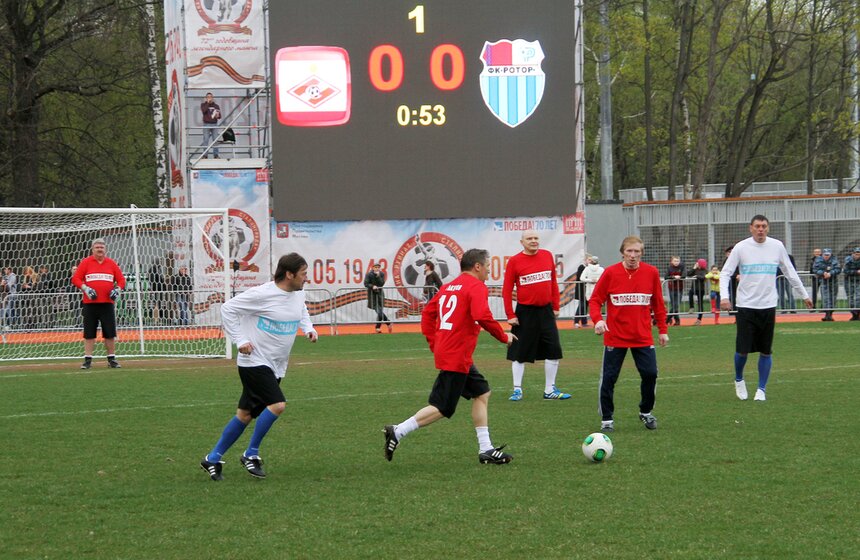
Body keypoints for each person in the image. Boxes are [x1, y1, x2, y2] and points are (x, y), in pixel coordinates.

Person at [382, 249, 516, 465]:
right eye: (488, 266)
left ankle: (486, 449)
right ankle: (398, 431)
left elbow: (428, 314)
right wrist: (503, 337)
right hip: (457, 355)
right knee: (443, 408)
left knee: (482, 392)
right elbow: (482, 315)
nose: (490, 270)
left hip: (454, 352)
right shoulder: (476, 286)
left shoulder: (449, 286)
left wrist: (435, 343)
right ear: (477, 266)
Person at [201, 253, 318, 481]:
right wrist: (240, 340)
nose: (307, 278)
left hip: (276, 364)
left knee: (245, 415)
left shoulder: (297, 292)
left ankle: (212, 458)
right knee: (278, 405)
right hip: (254, 362)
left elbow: (301, 309)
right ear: (289, 274)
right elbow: (228, 309)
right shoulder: (262, 294)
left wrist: (308, 328)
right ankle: (251, 453)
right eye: (303, 274)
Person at [720, 215, 812, 402]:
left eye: (764, 226)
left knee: (766, 350)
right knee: (742, 350)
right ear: (751, 228)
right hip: (746, 305)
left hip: (768, 306)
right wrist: (724, 297)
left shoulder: (777, 246)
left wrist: (804, 294)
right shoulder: (741, 247)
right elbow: (726, 272)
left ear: (768, 228)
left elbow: (789, 271)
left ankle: (761, 389)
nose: (760, 229)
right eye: (757, 226)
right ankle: (739, 379)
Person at [589, 236, 668, 433]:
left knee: (650, 374)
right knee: (609, 378)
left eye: (637, 252)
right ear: (622, 252)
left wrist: (663, 331)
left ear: (642, 253)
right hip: (615, 336)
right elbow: (595, 300)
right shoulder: (610, 273)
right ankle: (607, 419)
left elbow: (658, 305)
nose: (633, 256)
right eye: (629, 251)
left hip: (642, 336)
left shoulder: (651, 273)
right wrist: (598, 319)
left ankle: (646, 411)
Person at [502, 229, 569, 401]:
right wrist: (510, 313)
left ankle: (549, 390)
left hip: (546, 311)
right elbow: (507, 290)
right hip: (525, 312)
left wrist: (555, 305)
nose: (533, 241)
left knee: (553, 349)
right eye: (529, 238)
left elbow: (553, 282)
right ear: (522, 242)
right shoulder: (515, 261)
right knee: (519, 351)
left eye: (536, 238)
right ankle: (517, 389)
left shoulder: (547, 256)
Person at [71, 238, 126, 369]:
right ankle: (87, 360)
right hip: (90, 304)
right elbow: (76, 278)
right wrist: (85, 288)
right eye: (97, 247)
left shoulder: (111, 263)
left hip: (107, 304)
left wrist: (117, 289)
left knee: (109, 332)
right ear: (92, 249)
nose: (100, 249)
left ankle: (111, 359)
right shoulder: (86, 262)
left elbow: (121, 280)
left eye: (102, 247)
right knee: (89, 332)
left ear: (105, 249)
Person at [813, 249, 841, 321]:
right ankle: (827, 314)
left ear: (830, 254)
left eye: (828, 255)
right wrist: (823, 273)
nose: (826, 256)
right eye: (825, 255)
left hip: (833, 281)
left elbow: (838, 269)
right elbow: (815, 269)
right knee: (825, 298)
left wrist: (830, 273)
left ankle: (830, 315)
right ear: (822, 254)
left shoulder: (835, 260)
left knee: (833, 298)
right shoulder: (818, 260)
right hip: (824, 281)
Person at [364, 263, 391, 333]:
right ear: (372, 268)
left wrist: (378, 277)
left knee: (380, 311)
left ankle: (378, 328)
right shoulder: (369, 274)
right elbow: (366, 283)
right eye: (375, 267)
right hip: (372, 295)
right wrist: (372, 286)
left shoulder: (381, 274)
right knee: (378, 311)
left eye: (378, 267)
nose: (377, 268)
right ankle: (388, 323)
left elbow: (382, 283)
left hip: (380, 294)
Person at [200, 92, 221, 159]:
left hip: (214, 124)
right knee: (206, 140)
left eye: (210, 97)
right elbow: (204, 111)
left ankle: (216, 155)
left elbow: (220, 116)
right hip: (206, 124)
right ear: (206, 98)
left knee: (215, 140)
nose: (209, 98)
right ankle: (205, 155)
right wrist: (208, 103)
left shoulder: (216, 106)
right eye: (208, 97)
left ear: (213, 98)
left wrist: (218, 116)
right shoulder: (203, 105)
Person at [687, 258, 708, 325]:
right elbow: (689, 274)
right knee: (690, 294)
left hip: (700, 289)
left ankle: (699, 319)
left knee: (700, 303)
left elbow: (703, 277)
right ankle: (691, 307)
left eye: (698, 263)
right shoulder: (695, 269)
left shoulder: (705, 270)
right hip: (694, 288)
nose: (697, 263)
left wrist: (697, 276)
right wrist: (693, 268)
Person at [665, 256, 684, 326]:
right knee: (674, 305)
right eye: (675, 261)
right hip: (672, 289)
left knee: (676, 305)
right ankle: (677, 321)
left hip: (680, 288)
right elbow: (666, 276)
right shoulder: (670, 268)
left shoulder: (682, 267)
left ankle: (667, 319)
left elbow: (684, 275)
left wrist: (680, 277)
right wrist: (673, 277)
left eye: (677, 261)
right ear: (672, 261)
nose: (676, 262)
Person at [572, 255, 589, 328]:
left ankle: (584, 322)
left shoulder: (588, 268)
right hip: (581, 290)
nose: (590, 262)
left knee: (585, 305)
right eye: (589, 260)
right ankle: (576, 321)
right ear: (585, 260)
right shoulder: (581, 267)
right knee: (581, 305)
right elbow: (579, 277)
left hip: (587, 290)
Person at [844, 247, 860, 321]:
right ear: (853, 254)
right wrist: (856, 272)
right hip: (849, 281)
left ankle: (857, 313)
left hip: (858, 281)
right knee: (850, 298)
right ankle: (853, 314)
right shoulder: (848, 260)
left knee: (858, 298)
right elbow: (846, 271)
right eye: (856, 254)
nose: (858, 256)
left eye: (859, 254)